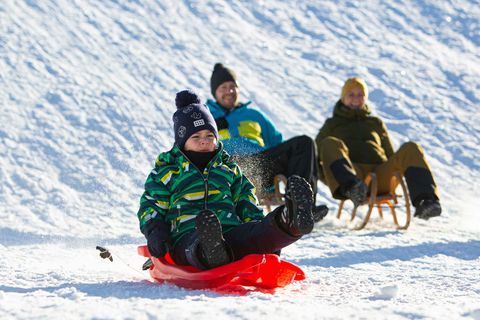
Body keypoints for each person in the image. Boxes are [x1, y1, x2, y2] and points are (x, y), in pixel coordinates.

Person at [137, 89, 315, 270]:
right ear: (182, 141)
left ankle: (289, 221)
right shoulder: (167, 172)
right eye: (196, 137)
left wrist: (262, 233)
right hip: (185, 237)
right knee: (192, 246)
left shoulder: (228, 168)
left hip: (230, 232)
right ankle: (210, 251)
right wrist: (155, 233)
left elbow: (246, 201)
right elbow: (151, 207)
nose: (204, 141)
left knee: (253, 233)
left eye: (209, 136)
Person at [206, 63, 328, 222]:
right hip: (229, 168)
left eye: (233, 86)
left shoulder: (254, 115)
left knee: (303, 143)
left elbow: (278, 143)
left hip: (261, 165)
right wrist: (212, 124)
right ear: (215, 92)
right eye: (223, 87)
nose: (229, 91)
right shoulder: (206, 116)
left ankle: (302, 208)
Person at [315, 77, 441, 220]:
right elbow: (317, 154)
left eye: (360, 94)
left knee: (411, 148)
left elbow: (390, 154)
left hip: (380, 176)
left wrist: (393, 173)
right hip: (355, 176)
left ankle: (426, 201)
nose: (356, 99)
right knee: (330, 143)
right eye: (351, 94)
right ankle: (351, 189)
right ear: (343, 97)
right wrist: (330, 179)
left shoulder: (375, 123)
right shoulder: (332, 124)